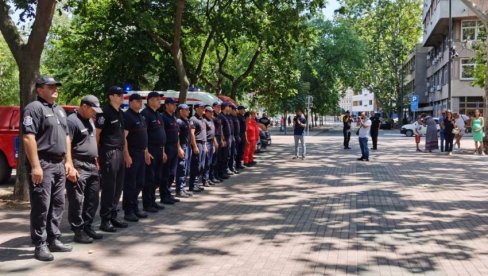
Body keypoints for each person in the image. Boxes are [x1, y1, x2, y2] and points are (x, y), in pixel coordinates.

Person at [22, 76, 75, 261]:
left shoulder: (59, 110)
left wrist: (68, 161)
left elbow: (67, 137)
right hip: (43, 163)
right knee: (41, 205)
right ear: (39, 90)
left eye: (55, 86)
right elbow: (28, 137)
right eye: (50, 86)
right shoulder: (34, 108)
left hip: (59, 163)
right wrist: (36, 166)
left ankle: (54, 238)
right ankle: (40, 244)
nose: (54, 89)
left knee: (58, 203)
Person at [66, 95, 104, 245]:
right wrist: (69, 164)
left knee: (93, 198)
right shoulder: (72, 121)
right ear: (84, 106)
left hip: (92, 164)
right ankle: (78, 230)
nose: (94, 113)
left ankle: (88, 226)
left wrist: (96, 159)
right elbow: (66, 143)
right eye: (92, 109)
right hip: (78, 164)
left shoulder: (90, 121)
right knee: (77, 199)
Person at [96, 86, 128, 232]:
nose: (122, 97)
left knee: (118, 186)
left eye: (123, 95)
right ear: (111, 96)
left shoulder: (120, 113)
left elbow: (123, 136)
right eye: (119, 95)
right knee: (109, 187)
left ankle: (114, 216)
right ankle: (105, 219)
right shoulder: (104, 112)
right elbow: (97, 135)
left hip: (120, 152)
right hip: (109, 152)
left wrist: (126, 155)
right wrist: (97, 155)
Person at [122, 93, 150, 222]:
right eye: (138, 101)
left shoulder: (140, 116)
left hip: (141, 153)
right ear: (131, 102)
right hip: (132, 154)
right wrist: (126, 155)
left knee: (140, 183)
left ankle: (135, 208)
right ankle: (128, 211)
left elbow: (143, 137)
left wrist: (146, 152)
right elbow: (124, 138)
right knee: (130, 184)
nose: (140, 103)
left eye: (141, 101)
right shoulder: (127, 116)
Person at [141, 92, 167, 213]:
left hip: (159, 150)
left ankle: (153, 200)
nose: (159, 102)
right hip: (150, 150)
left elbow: (162, 134)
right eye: (157, 99)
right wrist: (146, 152)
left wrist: (163, 151)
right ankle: (147, 203)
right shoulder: (145, 114)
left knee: (157, 177)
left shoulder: (158, 115)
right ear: (150, 100)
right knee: (149, 178)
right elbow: (143, 134)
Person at [161, 98, 183, 203]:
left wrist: (179, 148)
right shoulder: (163, 117)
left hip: (174, 147)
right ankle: (164, 196)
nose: (175, 106)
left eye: (175, 105)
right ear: (167, 105)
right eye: (173, 104)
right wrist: (163, 151)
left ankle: (168, 193)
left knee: (172, 173)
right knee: (165, 173)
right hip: (167, 147)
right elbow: (162, 136)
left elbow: (177, 135)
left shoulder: (174, 118)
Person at [175, 104, 194, 197]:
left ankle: (183, 188)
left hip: (187, 146)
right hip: (182, 147)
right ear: (181, 111)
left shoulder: (187, 121)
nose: (188, 111)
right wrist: (179, 148)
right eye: (186, 110)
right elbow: (176, 136)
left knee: (186, 168)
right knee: (181, 168)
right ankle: (179, 190)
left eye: (188, 110)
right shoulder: (178, 121)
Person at [189, 103, 207, 192]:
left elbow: (203, 133)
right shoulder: (193, 119)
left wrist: (205, 145)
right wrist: (195, 146)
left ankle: (196, 183)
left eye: (204, 107)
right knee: (196, 165)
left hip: (203, 144)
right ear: (196, 109)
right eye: (201, 108)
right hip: (197, 143)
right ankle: (192, 185)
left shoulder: (202, 119)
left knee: (201, 166)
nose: (203, 109)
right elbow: (192, 134)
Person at [203, 106, 218, 186]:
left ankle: (208, 178)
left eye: (212, 112)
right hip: (207, 142)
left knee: (211, 162)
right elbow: (204, 134)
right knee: (207, 162)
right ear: (206, 112)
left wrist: (215, 142)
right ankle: (205, 179)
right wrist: (205, 145)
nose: (212, 113)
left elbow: (213, 132)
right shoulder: (204, 121)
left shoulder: (211, 120)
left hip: (211, 142)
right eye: (210, 112)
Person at [211, 102, 225, 182]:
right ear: (213, 107)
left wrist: (222, 139)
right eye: (217, 106)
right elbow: (213, 131)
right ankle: (212, 177)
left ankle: (217, 175)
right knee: (214, 159)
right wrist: (215, 141)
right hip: (215, 138)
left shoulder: (220, 117)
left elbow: (221, 129)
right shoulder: (212, 117)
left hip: (219, 138)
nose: (219, 108)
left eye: (219, 107)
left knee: (219, 158)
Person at [235, 106, 247, 170]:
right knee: (239, 150)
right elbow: (238, 127)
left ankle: (239, 163)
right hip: (240, 134)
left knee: (242, 150)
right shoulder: (238, 117)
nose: (244, 110)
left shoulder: (242, 116)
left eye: (244, 109)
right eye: (242, 109)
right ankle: (237, 164)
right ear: (239, 110)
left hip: (243, 134)